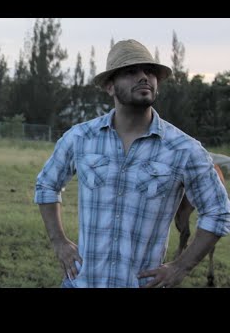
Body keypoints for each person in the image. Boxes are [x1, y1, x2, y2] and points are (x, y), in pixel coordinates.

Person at [34, 39, 230, 288]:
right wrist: (59, 241)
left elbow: (218, 211)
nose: (144, 77)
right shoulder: (80, 138)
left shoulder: (184, 149)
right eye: (130, 72)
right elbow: (46, 185)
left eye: (149, 71)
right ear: (109, 86)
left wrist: (180, 267)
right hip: (81, 282)